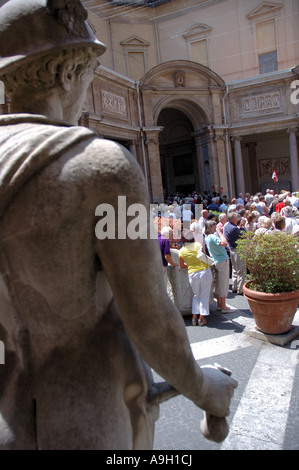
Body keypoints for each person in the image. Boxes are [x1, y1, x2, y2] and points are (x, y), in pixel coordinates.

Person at [0, 0, 237, 450]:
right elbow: (149, 314)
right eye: (88, 74)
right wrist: (206, 390)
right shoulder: (104, 167)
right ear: (69, 72)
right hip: (91, 413)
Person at [179, 230, 212, 326]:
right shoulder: (198, 245)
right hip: (204, 271)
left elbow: (182, 265)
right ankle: (201, 318)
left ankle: (194, 318)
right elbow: (204, 255)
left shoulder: (182, 251)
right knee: (204, 296)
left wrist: (189, 264)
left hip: (192, 273)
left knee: (196, 296)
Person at [205, 221, 231, 313]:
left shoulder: (207, 237)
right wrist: (220, 233)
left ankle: (220, 305)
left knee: (218, 285)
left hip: (215, 261)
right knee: (223, 284)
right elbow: (224, 243)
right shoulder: (212, 236)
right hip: (222, 261)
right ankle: (224, 306)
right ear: (211, 227)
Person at [223, 212, 247, 295]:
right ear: (234, 219)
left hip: (231, 249)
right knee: (241, 269)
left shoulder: (226, 226)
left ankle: (235, 286)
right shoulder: (234, 228)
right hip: (237, 249)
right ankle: (240, 289)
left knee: (234, 269)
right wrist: (243, 227)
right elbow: (244, 235)